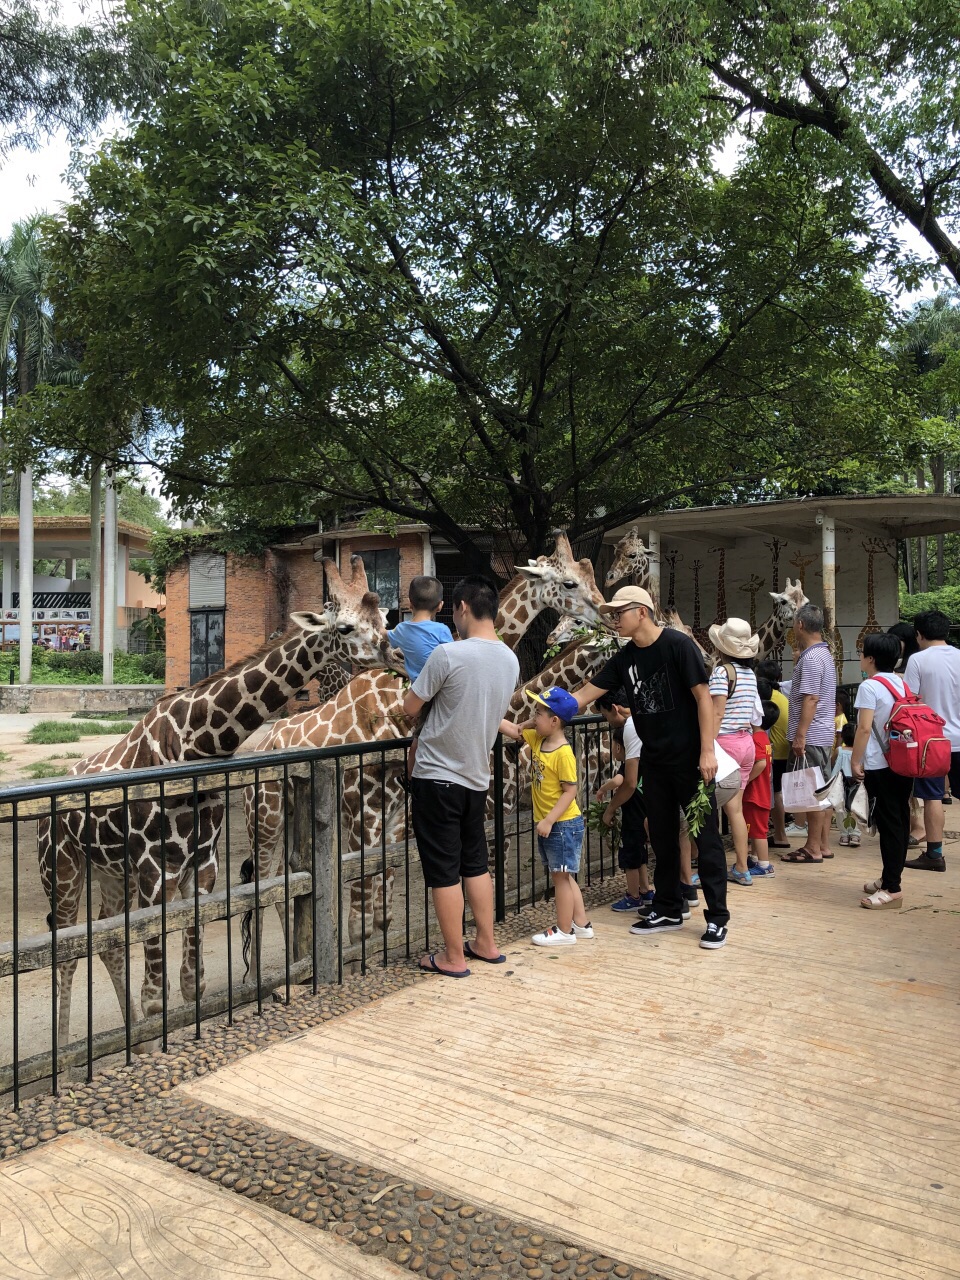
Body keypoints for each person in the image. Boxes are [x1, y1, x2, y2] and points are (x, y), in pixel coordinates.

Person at [569, 585, 730, 950]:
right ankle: (669, 907)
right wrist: (545, 709)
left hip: (691, 761)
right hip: (654, 764)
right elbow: (584, 695)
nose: (614, 620)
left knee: (705, 840)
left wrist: (707, 751)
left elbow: (703, 698)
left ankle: (718, 918)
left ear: (641, 612)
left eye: (619, 612)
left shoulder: (678, 646)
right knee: (661, 837)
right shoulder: (624, 658)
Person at [402, 575, 520, 977]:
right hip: (477, 777)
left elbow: (409, 707)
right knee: (475, 863)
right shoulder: (510, 659)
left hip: (437, 777)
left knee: (443, 870)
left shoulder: (448, 655)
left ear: (464, 607)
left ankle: (453, 956)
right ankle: (485, 942)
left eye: (454, 611)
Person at [502, 688, 593, 946]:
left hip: (562, 824)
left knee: (560, 877)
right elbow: (515, 730)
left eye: (539, 713)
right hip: (554, 824)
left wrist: (550, 819)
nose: (534, 716)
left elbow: (571, 791)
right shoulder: (539, 739)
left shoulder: (563, 753)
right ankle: (582, 924)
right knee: (564, 875)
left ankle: (565, 931)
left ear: (554, 721)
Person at [851, 633, 912, 908]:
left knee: (889, 825)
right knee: (899, 818)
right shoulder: (901, 683)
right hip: (902, 761)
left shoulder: (870, 687)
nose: (861, 657)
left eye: (863, 653)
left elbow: (864, 728)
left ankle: (892, 888)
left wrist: (855, 760)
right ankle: (889, 877)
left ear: (871, 659)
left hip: (880, 764)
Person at [902, 609, 960, 873]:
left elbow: (910, 701)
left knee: (933, 797)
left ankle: (935, 855)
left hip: (932, 741)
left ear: (919, 634)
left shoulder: (918, 660)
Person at [781, 603, 837, 864]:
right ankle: (822, 844)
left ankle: (813, 847)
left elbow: (811, 698)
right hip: (821, 733)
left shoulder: (813, 659)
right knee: (821, 790)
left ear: (800, 625)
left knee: (813, 792)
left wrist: (801, 734)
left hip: (812, 735)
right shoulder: (823, 653)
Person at [708, 618, 760, 886]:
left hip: (725, 744)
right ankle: (741, 866)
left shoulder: (721, 673)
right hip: (746, 744)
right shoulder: (750, 675)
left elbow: (717, 713)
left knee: (709, 809)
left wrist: (707, 745)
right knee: (735, 810)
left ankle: (710, 868)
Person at [595, 715, 654, 911]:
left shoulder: (626, 765)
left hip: (631, 819)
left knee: (629, 858)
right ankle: (646, 890)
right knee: (641, 856)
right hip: (644, 815)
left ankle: (633, 896)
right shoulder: (642, 761)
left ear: (618, 747)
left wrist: (603, 789)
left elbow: (619, 782)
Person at [387, 575, 452, 680]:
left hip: (416, 690)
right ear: (440, 606)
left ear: (410, 603)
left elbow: (383, 634)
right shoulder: (442, 630)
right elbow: (452, 659)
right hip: (440, 689)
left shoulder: (401, 629)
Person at [756, 658, 791, 849]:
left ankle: (779, 835)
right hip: (784, 750)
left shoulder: (765, 699)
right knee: (777, 791)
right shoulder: (781, 697)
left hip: (775, 753)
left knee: (774, 792)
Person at [744, 680, 777, 877]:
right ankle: (755, 859)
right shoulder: (764, 738)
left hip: (755, 793)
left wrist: (746, 779)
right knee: (755, 828)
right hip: (763, 792)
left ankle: (765, 866)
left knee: (758, 831)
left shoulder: (756, 739)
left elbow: (761, 764)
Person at [836, 722, 861, 847]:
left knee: (841, 809)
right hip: (856, 783)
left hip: (840, 783)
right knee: (855, 809)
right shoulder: (861, 753)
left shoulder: (839, 750)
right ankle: (855, 834)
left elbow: (832, 764)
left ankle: (844, 834)